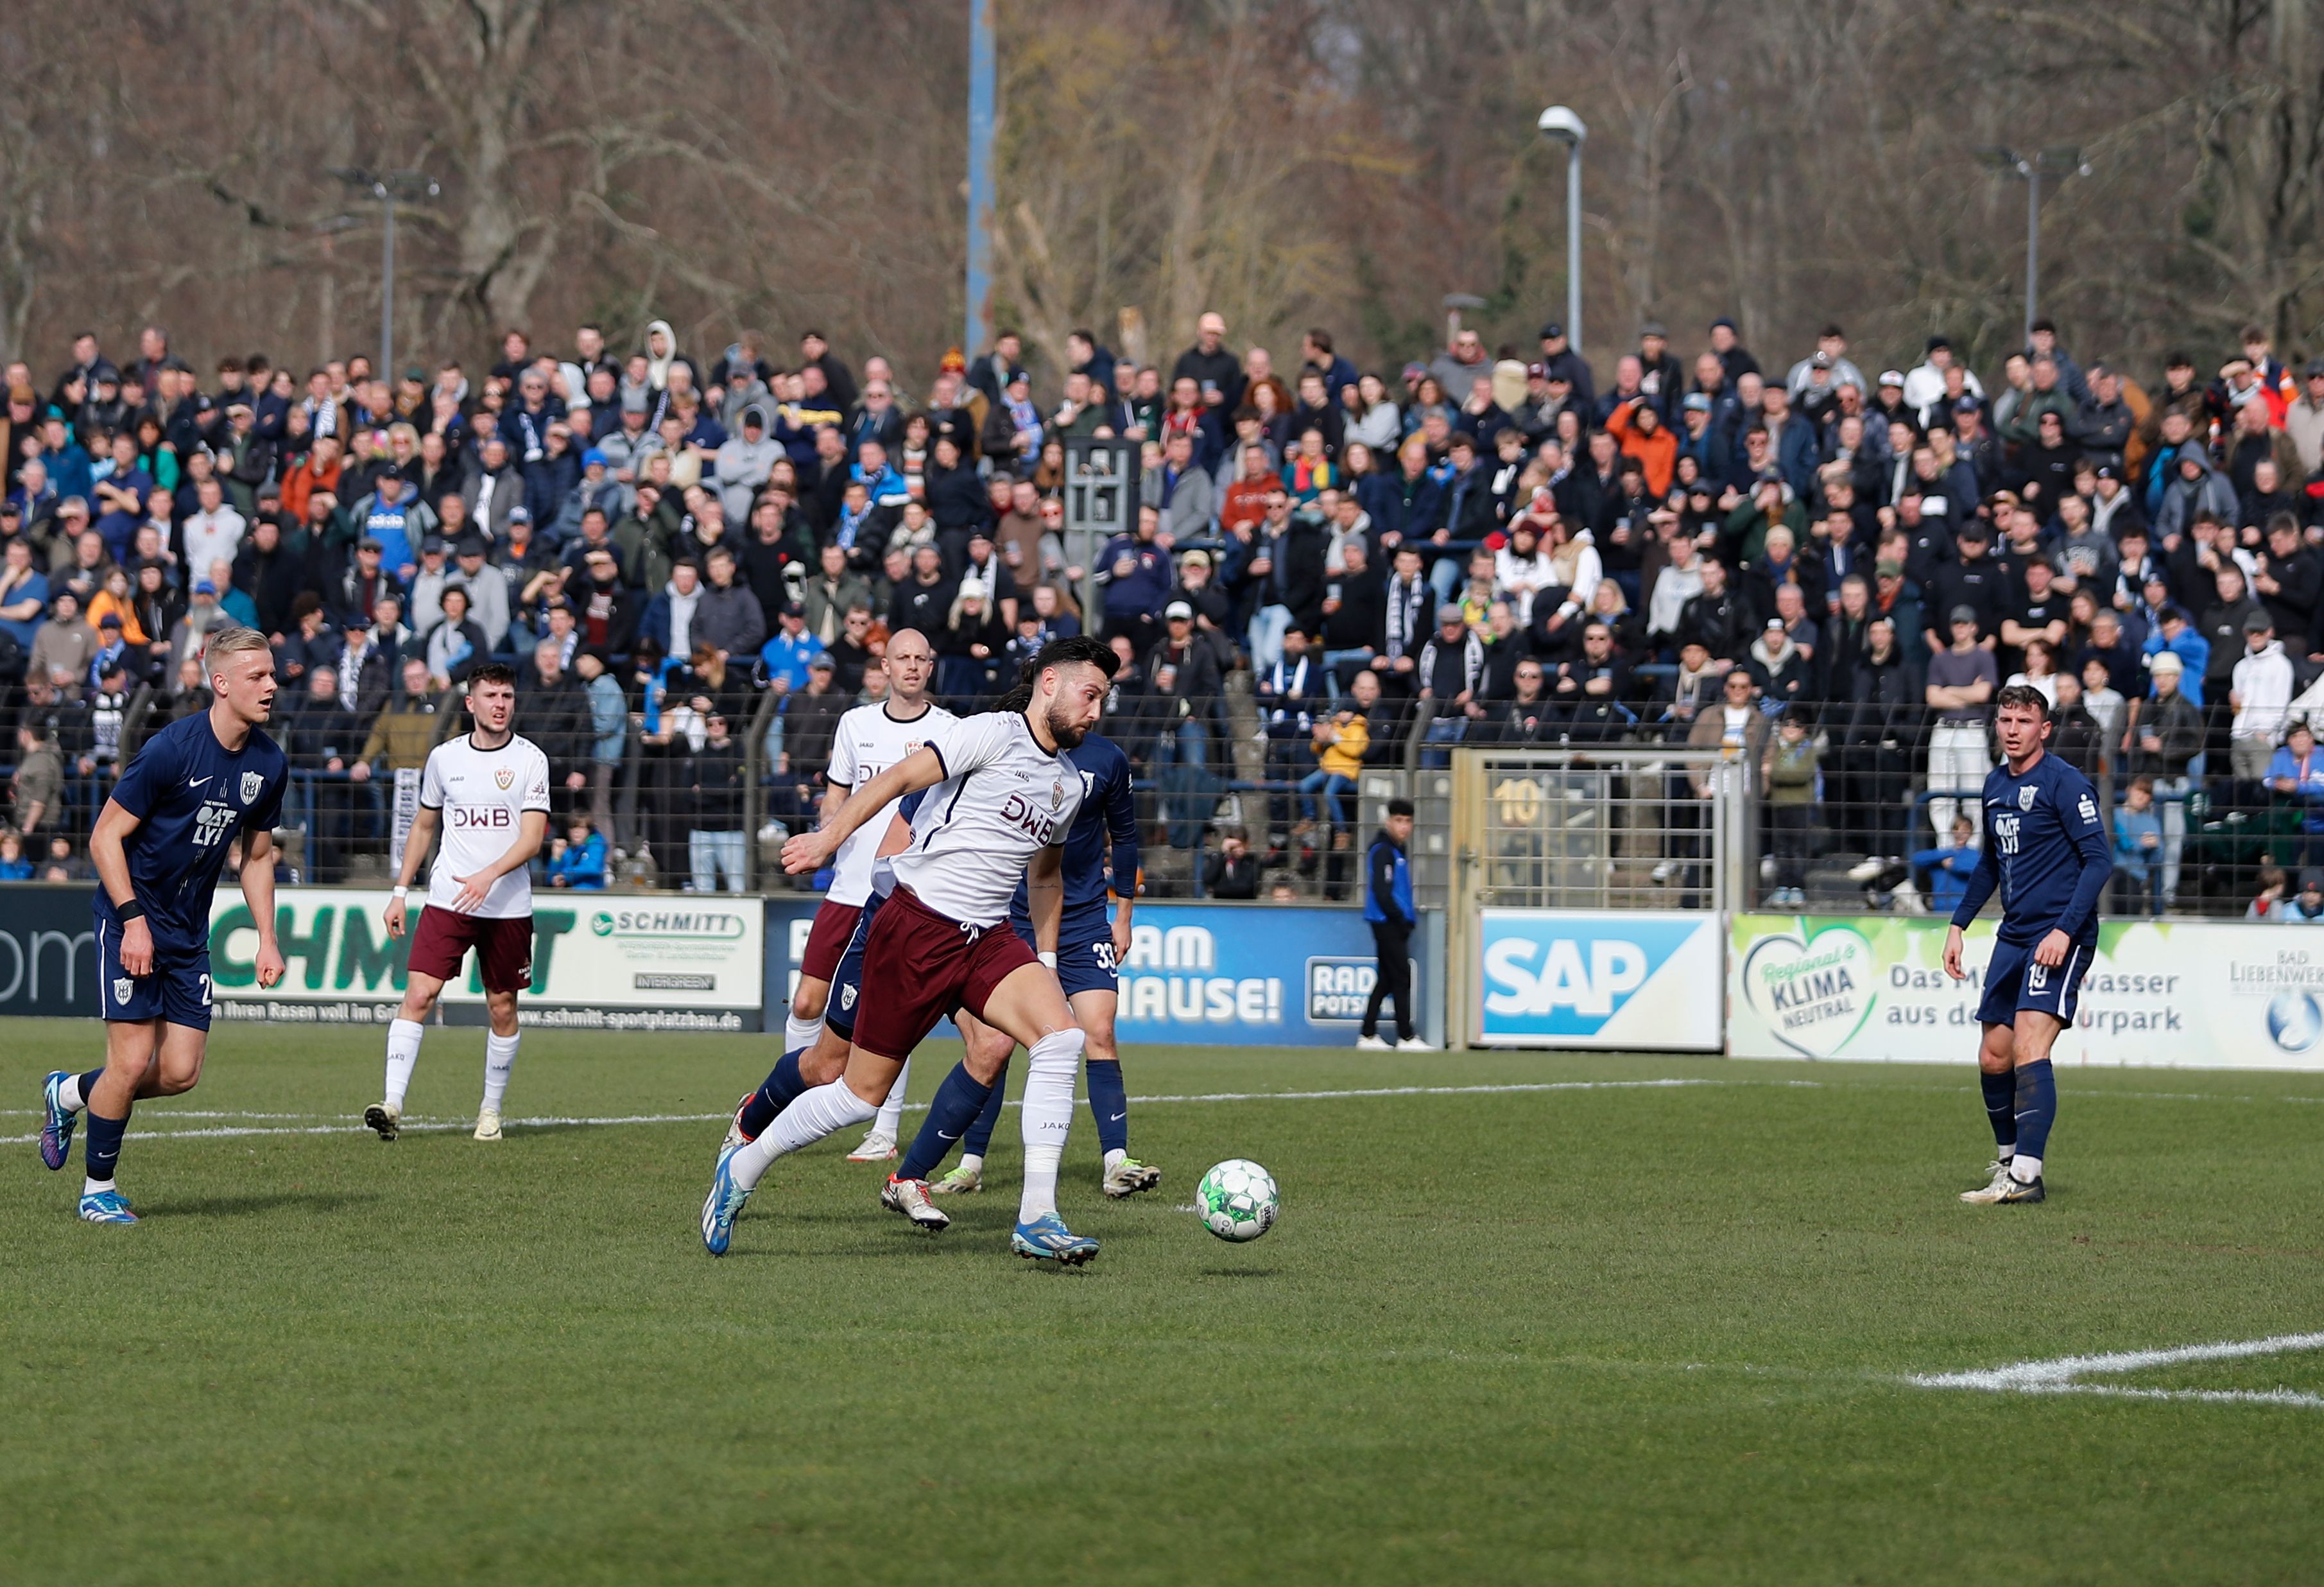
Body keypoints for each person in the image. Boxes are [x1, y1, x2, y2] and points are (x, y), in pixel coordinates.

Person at [703, 634, 1120, 1265]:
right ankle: (743, 1168)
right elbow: (900, 779)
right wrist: (826, 839)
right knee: (856, 1095)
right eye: (1090, 696)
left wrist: (1049, 962)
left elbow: (1045, 877)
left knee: (1061, 1038)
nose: (1095, 713)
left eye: (1104, 701)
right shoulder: (991, 734)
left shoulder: (1067, 784)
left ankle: (1037, 1216)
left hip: (989, 939)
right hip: (919, 927)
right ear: (1051, 684)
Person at [38, 627, 289, 1224]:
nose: (272, 686)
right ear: (220, 682)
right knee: (128, 1062)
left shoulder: (268, 763)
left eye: (273, 674)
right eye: (258, 676)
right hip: (131, 921)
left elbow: (255, 857)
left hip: (187, 932)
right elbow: (104, 838)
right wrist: (132, 922)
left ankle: (68, 1093)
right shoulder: (171, 750)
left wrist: (268, 939)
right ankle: (98, 1190)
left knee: (179, 1073)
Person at [889, 718, 1160, 1210]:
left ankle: (1116, 1161)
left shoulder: (1107, 760)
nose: (1089, 708)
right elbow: (916, 808)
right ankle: (972, 1164)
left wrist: (1123, 915)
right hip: (1004, 917)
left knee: (1098, 1030)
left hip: (1081, 917)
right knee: (998, 1042)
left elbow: (1124, 836)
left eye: (1097, 695)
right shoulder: (1003, 746)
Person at [734, 629, 956, 1165]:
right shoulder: (855, 723)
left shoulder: (950, 731)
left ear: (930, 667)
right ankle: (796, 1107)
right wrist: (825, 829)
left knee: (887, 1011)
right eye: (900, 658)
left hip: (904, 893)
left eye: (919, 659)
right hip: (848, 886)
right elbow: (836, 793)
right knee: (808, 1001)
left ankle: (883, 1129)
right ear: (882, 666)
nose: (909, 666)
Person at [364, 664, 551, 1144]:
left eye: (507, 696)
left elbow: (532, 840)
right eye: (490, 695)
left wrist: (489, 876)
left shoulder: (531, 760)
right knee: (419, 996)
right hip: (448, 899)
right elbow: (424, 826)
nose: (500, 704)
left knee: (502, 1006)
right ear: (470, 703)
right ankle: (392, 1105)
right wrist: (401, 892)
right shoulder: (445, 759)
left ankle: (490, 1111)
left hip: (507, 905)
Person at [1943, 685, 2111, 1206]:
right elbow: (1990, 863)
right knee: (1993, 1057)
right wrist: (1958, 924)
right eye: (2005, 719)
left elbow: (2098, 860)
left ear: (2044, 729)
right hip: (2013, 934)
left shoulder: (2066, 783)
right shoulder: (1994, 785)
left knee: (2028, 1047)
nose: (2012, 729)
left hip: (2058, 934)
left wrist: (2064, 930)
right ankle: (2009, 1164)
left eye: (2023, 720)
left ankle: (2026, 1177)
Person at [1356, 797, 1423, 1050]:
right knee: (1401, 977)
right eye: (1399, 821)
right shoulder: (1383, 850)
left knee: (1386, 979)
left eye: (1408, 822)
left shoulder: (1397, 850)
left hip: (1392, 921)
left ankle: (1368, 1033)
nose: (1404, 827)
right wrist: (1399, 918)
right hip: (1387, 922)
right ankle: (1405, 1036)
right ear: (1388, 822)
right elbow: (1382, 891)